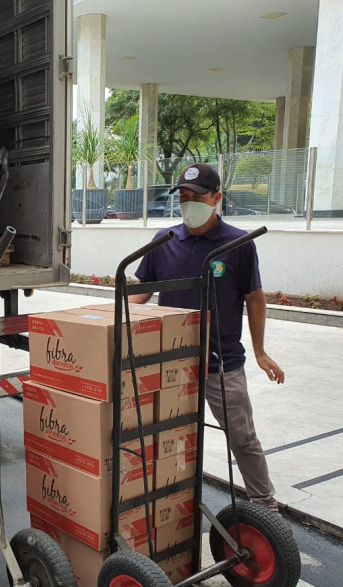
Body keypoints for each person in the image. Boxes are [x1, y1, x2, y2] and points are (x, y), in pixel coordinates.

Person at [131, 163, 283, 512]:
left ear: (217, 198)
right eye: (183, 198)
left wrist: (260, 352)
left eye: (196, 197)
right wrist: (103, 319)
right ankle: (167, 497)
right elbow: (141, 293)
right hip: (172, 363)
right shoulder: (164, 241)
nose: (188, 204)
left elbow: (255, 298)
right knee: (167, 435)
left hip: (221, 363)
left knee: (242, 437)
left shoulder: (238, 244)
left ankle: (265, 506)